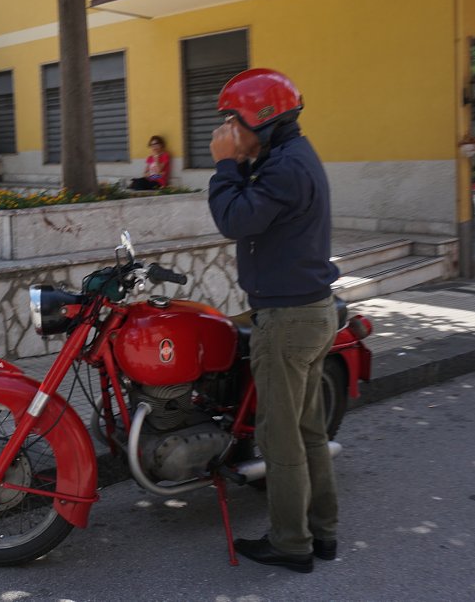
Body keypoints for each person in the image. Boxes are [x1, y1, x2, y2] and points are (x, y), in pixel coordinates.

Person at [207, 68, 340, 574]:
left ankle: (291, 543)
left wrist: (224, 164)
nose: (226, 130)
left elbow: (234, 219)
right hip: (310, 311)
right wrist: (240, 161)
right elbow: (254, 209)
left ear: (262, 119)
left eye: (233, 121)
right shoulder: (291, 157)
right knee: (309, 432)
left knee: (280, 438)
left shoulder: (285, 168)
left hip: (287, 321)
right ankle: (323, 532)